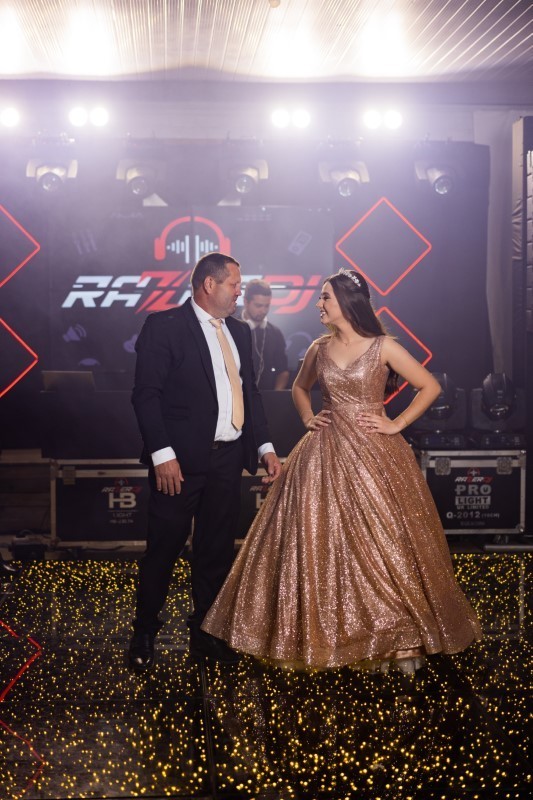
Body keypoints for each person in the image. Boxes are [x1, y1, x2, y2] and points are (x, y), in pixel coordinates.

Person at [202, 268, 482, 671]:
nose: (318, 303)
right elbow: (300, 388)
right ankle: (327, 637)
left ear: (347, 303)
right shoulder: (319, 348)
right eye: (320, 297)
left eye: (325, 297)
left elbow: (430, 386)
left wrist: (396, 423)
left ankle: (394, 636)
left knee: (385, 542)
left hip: (375, 454)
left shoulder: (383, 346)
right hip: (323, 453)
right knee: (319, 539)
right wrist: (308, 417)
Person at [129, 252, 282, 671]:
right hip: (178, 464)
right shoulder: (164, 326)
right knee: (163, 550)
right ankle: (144, 632)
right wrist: (163, 455)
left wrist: (265, 446)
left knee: (215, 551)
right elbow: (146, 395)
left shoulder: (239, 330)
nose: (239, 293)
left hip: (227, 460)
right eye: (235, 285)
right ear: (209, 285)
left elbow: (250, 393)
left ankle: (206, 634)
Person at [241, 279, 289, 391]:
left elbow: (283, 371)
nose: (263, 311)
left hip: (266, 398)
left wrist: (275, 396)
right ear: (246, 302)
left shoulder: (275, 333)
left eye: (266, 306)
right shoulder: (230, 328)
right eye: (258, 306)